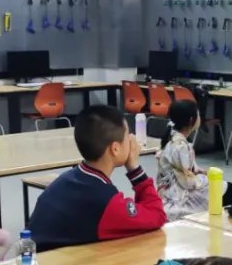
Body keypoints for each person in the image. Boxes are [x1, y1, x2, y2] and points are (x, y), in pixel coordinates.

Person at [29, 105, 167, 250]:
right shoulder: (105, 201)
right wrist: (134, 169)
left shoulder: (67, 179)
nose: (132, 140)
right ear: (115, 148)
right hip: (57, 263)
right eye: (128, 136)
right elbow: (156, 214)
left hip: (37, 260)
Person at [155, 100, 232, 220]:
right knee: (229, 189)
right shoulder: (180, 146)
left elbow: (185, 169)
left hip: (171, 189)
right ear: (191, 120)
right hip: (178, 194)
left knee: (222, 187)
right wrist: (205, 180)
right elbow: (188, 182)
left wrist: (201, 172)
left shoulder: (172, 136)